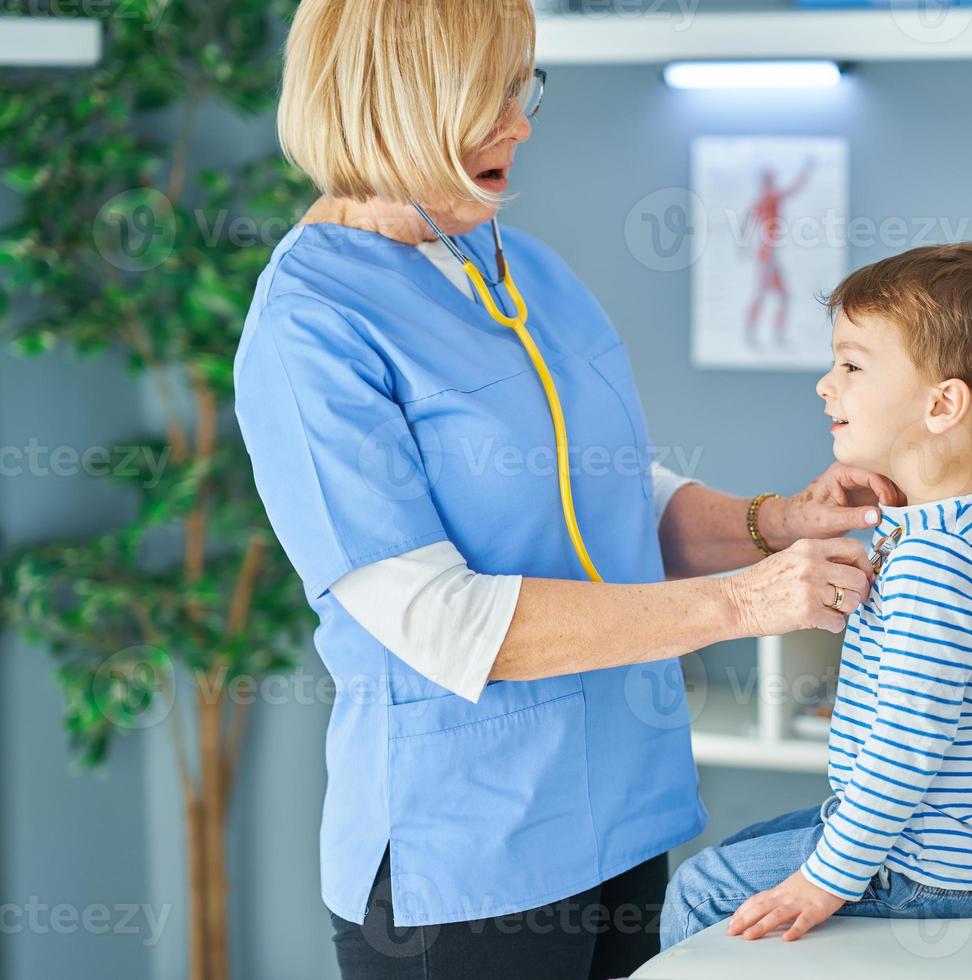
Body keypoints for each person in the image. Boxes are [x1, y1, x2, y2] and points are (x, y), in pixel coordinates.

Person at [233, 1, 902, 976]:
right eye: (489, 96)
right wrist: (743, 603)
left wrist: (774, 523)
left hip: (621, 811)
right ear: (397, 102)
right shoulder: (310, 327)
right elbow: (444, 621)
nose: (521, 124)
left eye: (523, 87)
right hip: (464, 860)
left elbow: (612, 493)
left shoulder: (523, 267)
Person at [661, 242, 972, 947]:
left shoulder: (938, 558)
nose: (824, 384)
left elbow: (905, 743)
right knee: (749, 844)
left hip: (932, 865)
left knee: (702, 889)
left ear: (942, 404)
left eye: (850, 365)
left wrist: (827, 880)